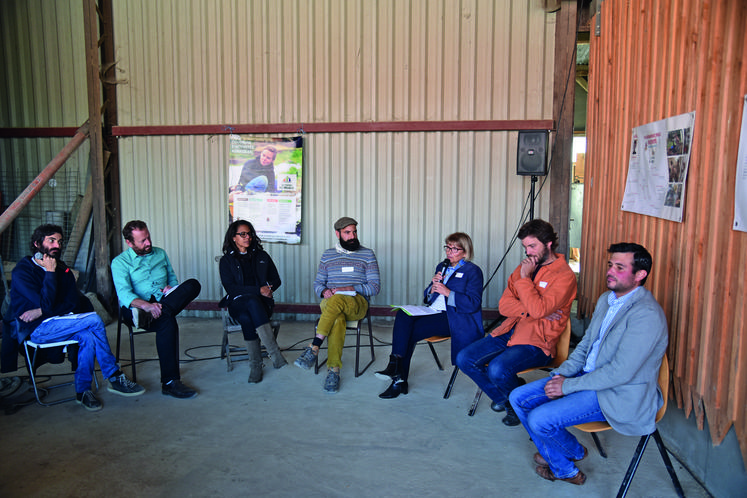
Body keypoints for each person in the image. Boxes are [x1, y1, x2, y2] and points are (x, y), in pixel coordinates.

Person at [509, 242, 668, 486]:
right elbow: (585, 346)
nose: (610, 271)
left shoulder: (646, 315)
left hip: (617, 393)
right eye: (610, 265)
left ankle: (564, 471)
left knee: (540, 419)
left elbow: (620, 373)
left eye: (620, 267)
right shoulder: (607, 299)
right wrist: (560, 376)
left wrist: (567, 387)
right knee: (518, 397)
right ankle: (570, 451)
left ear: (640, 275)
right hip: (588, 377)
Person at [9, 224, 144, 411]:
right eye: (51, 240)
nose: (57, 245)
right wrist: (49, 273)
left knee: (88, 336)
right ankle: (114, 375)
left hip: (62, 323)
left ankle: (83, 391)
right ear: (37, 244)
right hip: (36, 330)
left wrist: (41, 310)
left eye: (59, 241)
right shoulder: (22, 272)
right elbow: (48, 303)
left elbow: (72, 302)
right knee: (95, 320)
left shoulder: (62, 269)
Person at [455, 219, 576, 425]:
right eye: (525, 247)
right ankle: (510, 400)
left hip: (537, 340)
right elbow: (504, 306)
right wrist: (531, 311)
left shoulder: (563, 275)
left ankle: (514, 399)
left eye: (532, 246)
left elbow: (539, 310)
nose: (528, 252)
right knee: (464, 358)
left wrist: (524, 281)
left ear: (548, 244)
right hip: (510, 330)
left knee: (497, 369)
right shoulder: (524, 267)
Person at [375, 232, 484, 399]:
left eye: (455, 249)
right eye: (447, 247)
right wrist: (431, 289)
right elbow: (428, 295)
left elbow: (473, 303)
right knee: (402, 314)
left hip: (454, 318)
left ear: (465, 251)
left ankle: (398, 378)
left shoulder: (473, 271)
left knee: (409, 333)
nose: (449, 251)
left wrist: (448, 293)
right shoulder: (442, 266)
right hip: (433, 311)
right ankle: (395, 364)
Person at [111, 220, 201, 399]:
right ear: (129, 243)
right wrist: (146, 305)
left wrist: (170, 289)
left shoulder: (160, 253)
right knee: (167, 321)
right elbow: (124, 294)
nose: (148, 243)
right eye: (142, 241)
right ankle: (170, 382)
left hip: (163, 301)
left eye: (148, 237)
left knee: (193, 284)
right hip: (136, 308)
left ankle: (160, 313)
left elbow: (174, 280)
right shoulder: (120, 263)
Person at [294, 217, 380, 393]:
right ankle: (334, 370)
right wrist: (323, 291)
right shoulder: (327, 255)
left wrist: (349, 288)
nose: (352, 236)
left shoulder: (367, 254)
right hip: (332, 304)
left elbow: (375, 287)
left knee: (337, 300)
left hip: (356, 303)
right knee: (337, 318)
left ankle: (315, 345)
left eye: (354, 232)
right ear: (337, 233)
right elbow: (318, 283)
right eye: (347, 232)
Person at [219, 220, 286, 383]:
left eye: (249, 233)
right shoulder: (226, 261)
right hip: (237, 304)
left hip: (262, 306)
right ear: (233, 238)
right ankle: (275, 354)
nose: (247, 237)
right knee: (250, 301)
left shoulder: (262, 256)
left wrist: (268, 289)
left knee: (247, 317)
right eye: (242, 234)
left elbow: (276, 280)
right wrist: (258, 290)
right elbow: (231, 288)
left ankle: (255, 366)